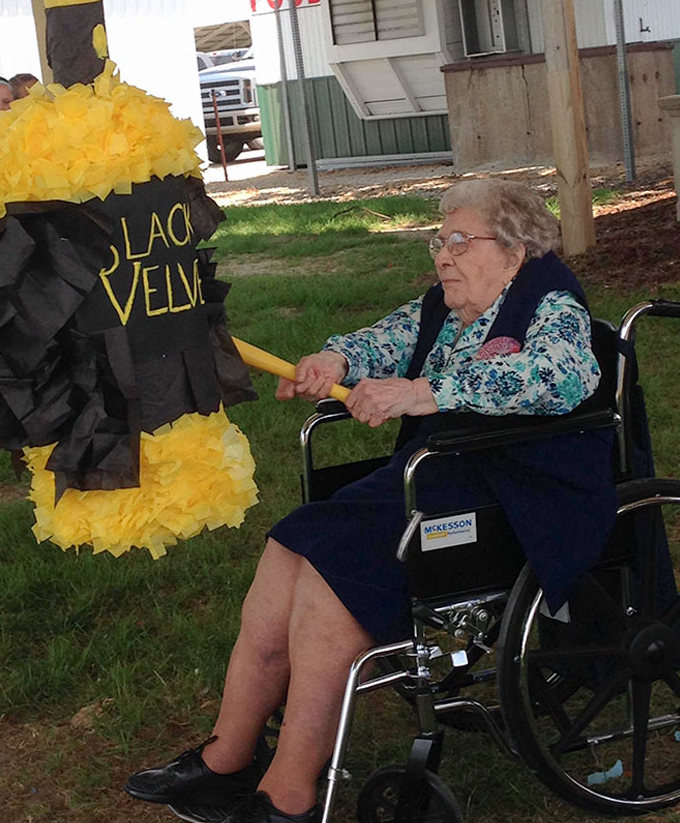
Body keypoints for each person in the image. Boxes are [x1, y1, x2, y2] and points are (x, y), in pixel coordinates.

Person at [124, 178, 618, 823]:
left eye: (460, 241)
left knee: (336, 580)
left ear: (516, 250)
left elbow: (565, 375)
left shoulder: (552, 304)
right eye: (439, 240)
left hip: (519, 493)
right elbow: (384, 339)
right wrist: (333, 359)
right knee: (290, 544)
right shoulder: (449, 305)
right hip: (436, 476)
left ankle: (292, 793)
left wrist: (422, 392)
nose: (442, 254)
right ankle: (228, 758)